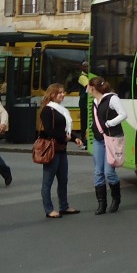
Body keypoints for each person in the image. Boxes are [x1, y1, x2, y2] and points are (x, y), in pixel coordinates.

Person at [38, 83, 83, 218]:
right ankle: (49, 209)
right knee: (48, 181)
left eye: (63, 92)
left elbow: (64, 129)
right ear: (52, 94)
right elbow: (50, 131)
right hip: (52, 149)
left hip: (62, 149)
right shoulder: (47, 110)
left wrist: (75, 138)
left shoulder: (61, 109)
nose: (63, 95)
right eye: (60, 93)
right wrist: (66, 138)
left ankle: (64, 206)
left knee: (63, 180)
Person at [87, 76, 126, 214]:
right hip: (99, 140)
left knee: (109, 172)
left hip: (112, 138)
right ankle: (101, 203)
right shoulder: (94, 102)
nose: (87, 89)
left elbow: (123, 114)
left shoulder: (112, 99)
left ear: (92, 87)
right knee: (98, 172)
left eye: (88, 87)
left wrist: (109, 123)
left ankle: (116, 198)